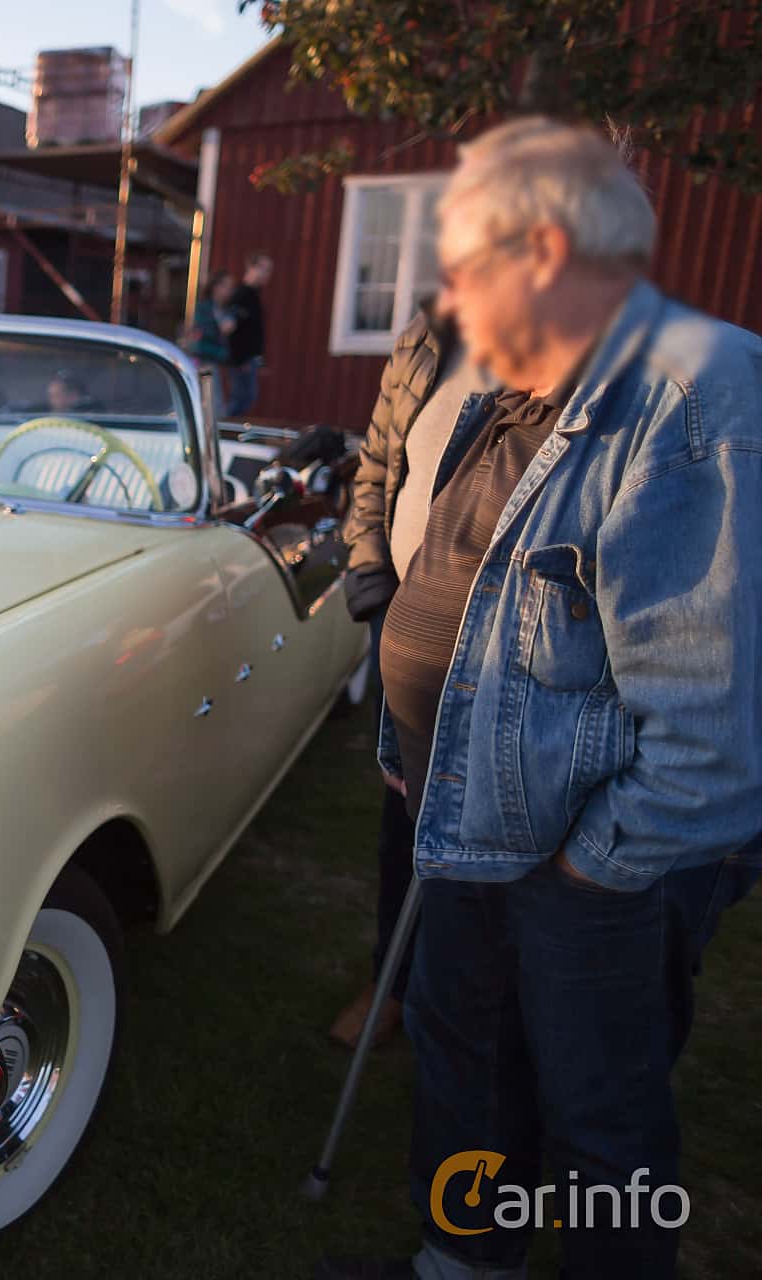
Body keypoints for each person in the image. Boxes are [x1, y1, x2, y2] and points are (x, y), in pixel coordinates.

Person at [316, 118, 762, 1280]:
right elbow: (453, 584)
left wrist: (591, 869)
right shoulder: (507, 390)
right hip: (460, 817)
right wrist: (414, 747)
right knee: (468, 1060)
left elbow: (711, 735)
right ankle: (469, 1257)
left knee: (598, 1119)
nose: (447, 301)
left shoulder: (693, 392)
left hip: (590, 865)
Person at [329, 302, 487, 1050]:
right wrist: (367, 573)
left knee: (490, 837)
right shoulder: (427, 334)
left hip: (504, 646)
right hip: (407, 626)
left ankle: (464, 1008)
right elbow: (377, 465)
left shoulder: (580, 347)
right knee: (404, 822)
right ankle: (393, 980)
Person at [222, 252, 271, 418]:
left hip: (249, 359)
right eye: (264, 269)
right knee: (242, 398)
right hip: (241, 360)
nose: (267, 274)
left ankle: (226, 428)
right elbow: (231, 329)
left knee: (247, 398)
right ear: (252, 268)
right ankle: (223, 428)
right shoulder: (241, 295)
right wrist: (240, 359)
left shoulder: (253, 295)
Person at [183, 270, 238, 413]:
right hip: (204, 358)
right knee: (212, 403)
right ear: (216, 287)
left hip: (216, 359)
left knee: (214, 400)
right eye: (226, 286)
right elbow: (199, 335)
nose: (229, 291)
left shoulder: (226, 309)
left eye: (231, 287)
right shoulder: (205, 308)